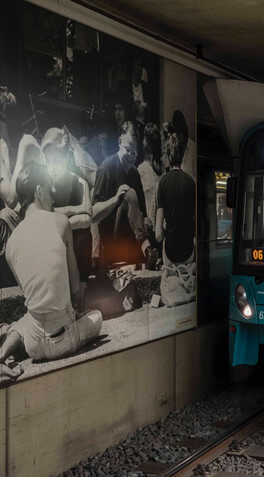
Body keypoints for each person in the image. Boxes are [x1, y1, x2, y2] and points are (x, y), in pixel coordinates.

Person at [2, 163, 102, 379]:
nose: (53, 196)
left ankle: (1, 356)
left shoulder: (11, 245)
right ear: (39, 191)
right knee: (97, 316)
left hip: (35, 345)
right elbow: (75, 289)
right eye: (49, 189)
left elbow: (30, 295)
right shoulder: (60, 222)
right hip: (64, 340)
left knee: (24, 322)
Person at [92, 121, 159, 269]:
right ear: (119, 142)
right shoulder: (106, 168)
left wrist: (147, 222)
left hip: (130, 237)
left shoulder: (135, 173)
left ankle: (149, 253)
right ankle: (146, 248)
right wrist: (115, 200)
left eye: (135, 153)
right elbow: (94, 214)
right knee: (129, 193)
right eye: (128, 149)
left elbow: (142, 211)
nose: (131, 156)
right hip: (111, 238)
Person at [42, 128, 93, 288]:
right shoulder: (42, 185)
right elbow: (44, 218)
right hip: (52, 244)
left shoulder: (79, 183)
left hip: (72, 242)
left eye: (56, 160)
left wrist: (60, 222)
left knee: (84, 235)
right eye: (48, 160)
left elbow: (88, 218)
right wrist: (76, 210)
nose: (52, 165)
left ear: (66, 159)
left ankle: (82, 288)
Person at [155, 133, 196, 265]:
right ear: (183, 155)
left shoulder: (163, 182)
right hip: (188, 250)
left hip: (170, 251)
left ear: (167, 155)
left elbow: (158, 235)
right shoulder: (191, 182)